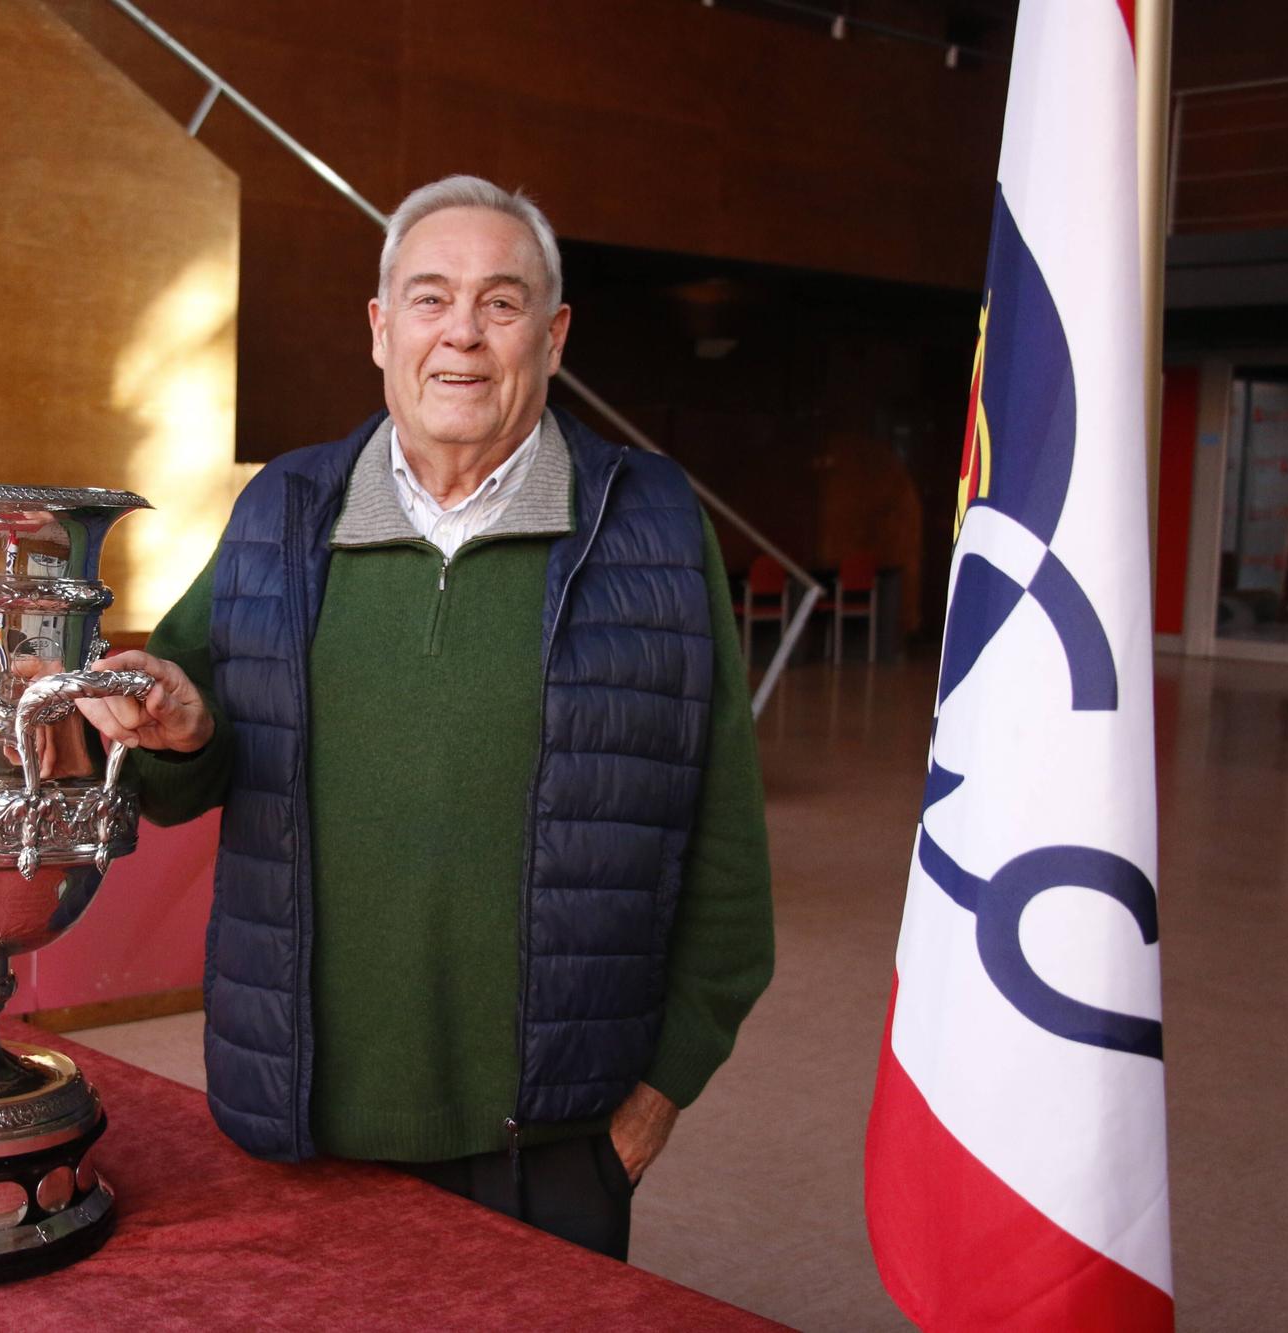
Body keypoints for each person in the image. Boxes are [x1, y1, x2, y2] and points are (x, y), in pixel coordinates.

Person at [74, 174, 773, 1261]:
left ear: (552, 333)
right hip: (303, 1127)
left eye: (500, 303)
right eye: (429, 297)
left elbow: (722, 835)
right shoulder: (281, 511)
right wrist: (173, 732)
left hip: (552, 1142)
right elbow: (177, 750)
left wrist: (654, 1099)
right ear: (379, 326)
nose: (461, 335)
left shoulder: (652, 524)